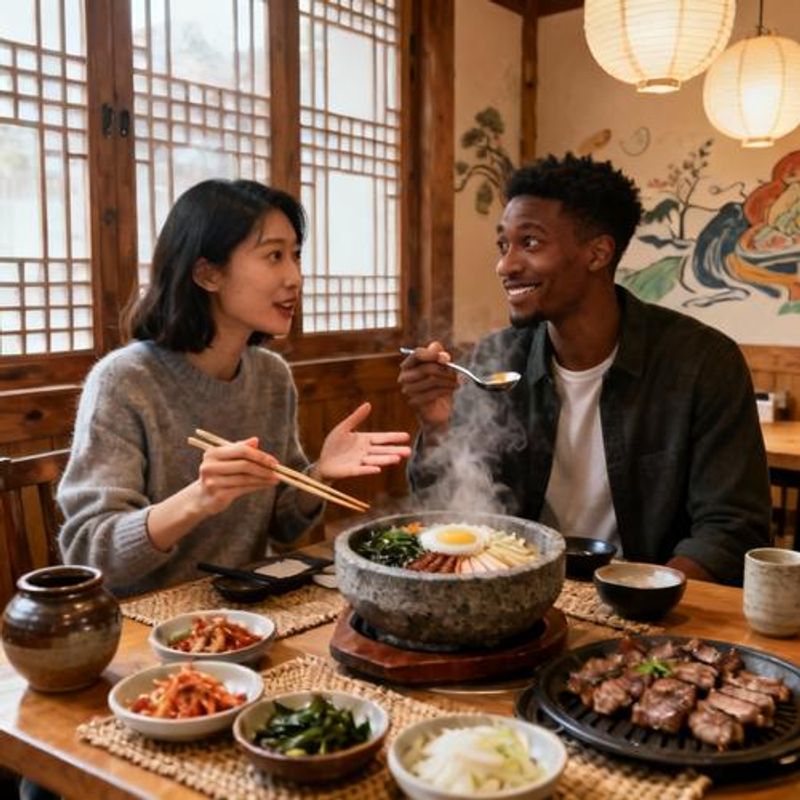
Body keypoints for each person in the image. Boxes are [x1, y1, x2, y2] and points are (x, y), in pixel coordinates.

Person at [398, 153, 770, 585]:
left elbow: (731, 527)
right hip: (518, 594)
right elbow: (455, 510)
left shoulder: (702, 363)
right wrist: (439, 424)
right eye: (504, 245)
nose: (506, 265)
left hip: (650, 601)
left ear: (598, 253)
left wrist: (645, 594)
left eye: (530, 243)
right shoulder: (496, 359)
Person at [58, 179, 411, 597]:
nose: (295, 277)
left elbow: (284, 528)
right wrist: (200, 498)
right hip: (145, 623)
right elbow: (89, 554)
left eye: (296, 255)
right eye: (274, 256)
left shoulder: (271, 376)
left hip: (248, 604)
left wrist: (320, 474)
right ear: (208, 273)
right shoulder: (125, 381)